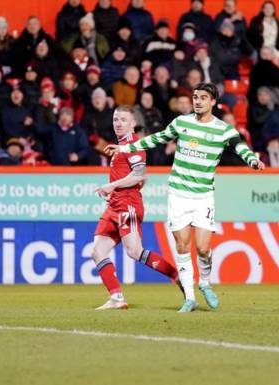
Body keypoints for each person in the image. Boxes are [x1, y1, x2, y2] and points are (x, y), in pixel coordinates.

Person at [104, 83, 265, 313]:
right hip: (178, 194)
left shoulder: (223, 129)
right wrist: (124, 149)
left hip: (203, 196)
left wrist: (252, 161)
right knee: (182, 245)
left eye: (203, 98)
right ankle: (189, 297)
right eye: (195, 97)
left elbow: (240, 147)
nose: (197, 101)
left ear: (213, 102)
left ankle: (205, 282)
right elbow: (157, 138)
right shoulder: (181, 122)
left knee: (202, 248)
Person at [92, 105, 180, 310]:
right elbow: (139, 176)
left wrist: (111, 186)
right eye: (115, 120)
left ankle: (177, 276)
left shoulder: (133, 144)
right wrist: (115, 191)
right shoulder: (120, 146)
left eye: (123, 120)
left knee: (134, 251)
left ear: (132, 124)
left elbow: (140, 174)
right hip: (114, 205)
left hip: (128, 205)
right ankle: (116, 298)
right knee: (97, 251)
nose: (118, 123)